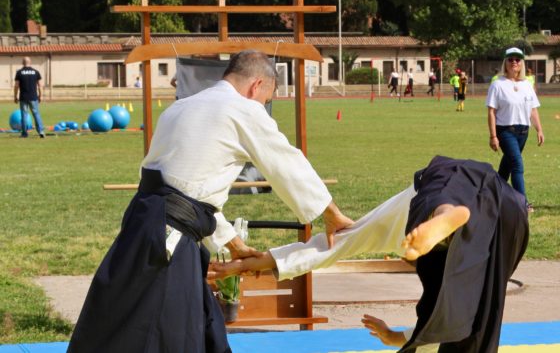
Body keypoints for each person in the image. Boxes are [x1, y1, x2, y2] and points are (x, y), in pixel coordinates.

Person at [67, 50, 353, 353]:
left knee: (180, 322)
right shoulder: (244, 109)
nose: (263, 106)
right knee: (159, 333)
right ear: (257, 86)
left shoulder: (180, 108)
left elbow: (185, 188)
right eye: (267, 99)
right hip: (168, 238)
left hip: (144, 225)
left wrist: (233, 243)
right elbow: (285, 162)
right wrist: (330, 213)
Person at [212, 156, 529, 353]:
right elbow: (444, 317)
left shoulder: (393, 227)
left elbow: (331, 247)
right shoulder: (458, 272)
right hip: (511, 215)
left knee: (441, 204)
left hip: (453, 184)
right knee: (480, 317)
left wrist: (266, 261)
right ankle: (443, 218)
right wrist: (399, 337)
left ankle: (443, 216)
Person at [486, 47, 544, 213]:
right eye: (510, 59)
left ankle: (492, 196)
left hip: (523, 132)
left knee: (506, 167)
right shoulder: (497, 84)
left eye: (517, 59)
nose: (514, 62)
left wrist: (539, 129)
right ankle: (522, 203)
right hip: (505, 131)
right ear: (505, 62)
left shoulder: (527, 85)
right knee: (517, 166)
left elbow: (533, 109)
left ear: (522, 63)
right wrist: (493, 136)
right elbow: (491, 111)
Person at [13, 56, 45, 138]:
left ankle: (24, 133)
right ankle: (41, 131)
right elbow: (40, 85)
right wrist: (40, 96)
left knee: (24, 115)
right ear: (30, 63)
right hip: (33, 97)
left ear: (22, 63)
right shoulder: (36, 72)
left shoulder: (19, 72)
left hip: (23, 97)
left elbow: (16, 86)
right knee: (36, 114)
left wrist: (15, 96)